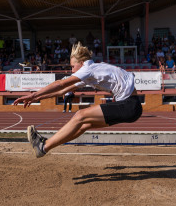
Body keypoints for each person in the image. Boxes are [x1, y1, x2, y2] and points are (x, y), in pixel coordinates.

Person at [13, 42, 142, 158]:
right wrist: (37, 98)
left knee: (80, 115)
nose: (72, 71)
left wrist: (33, 95)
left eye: (72, 66)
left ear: (81, 63)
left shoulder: (88, 69)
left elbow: (60, 84)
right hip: (130, 106)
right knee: (84, 125)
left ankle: (44, 146)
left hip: (129, 104)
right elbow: (62, 91)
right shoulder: (89, 73)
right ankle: (45, 147)